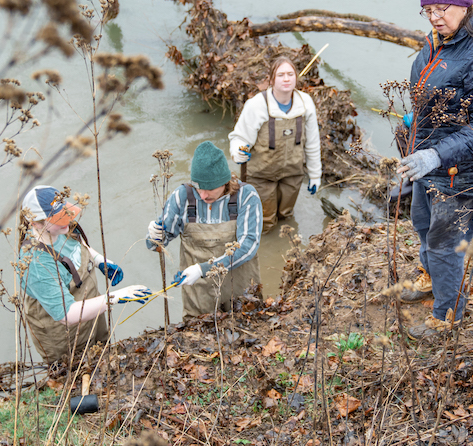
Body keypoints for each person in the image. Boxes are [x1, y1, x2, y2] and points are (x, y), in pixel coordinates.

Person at [397, 0, 473, 335]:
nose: (434, 17)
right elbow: (434, 82)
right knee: (422, 223)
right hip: (429, 157)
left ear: (464, 4)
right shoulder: (441, 34)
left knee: (447, 244)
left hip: (459, 169)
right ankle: (430, 276)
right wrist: (416, 121)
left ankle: (448, 315)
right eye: (428, 10)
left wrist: (435, 155)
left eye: (442, 9)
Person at [18, 185, 152, 364]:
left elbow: (78, 244)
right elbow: (66, 314)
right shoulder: (35, 262)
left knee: (103, 356)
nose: (66, 220)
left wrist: (98, 260)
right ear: (35, 223)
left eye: (65, 213)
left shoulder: (61, 228)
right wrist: (115, 297)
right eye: (58, 218)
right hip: (65, 334)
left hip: (92, 310)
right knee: (76, 369)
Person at [146, 141, 263, 316]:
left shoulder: (246, 196)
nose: (202, 195)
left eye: (209, 188)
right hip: (199, 296)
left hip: (241, 292)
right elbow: (157, 245)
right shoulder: (182, 197)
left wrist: (203, 269)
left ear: (225, 182)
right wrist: (154, 236)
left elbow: (248, 246)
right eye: (198, 187)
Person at [228, 56, 322, 234]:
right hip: (261, 175)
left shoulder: (305, 103)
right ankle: (265, 252)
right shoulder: (256, 105)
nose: (286, 79)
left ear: (296, 77)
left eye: (290, 74)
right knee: (265, 222)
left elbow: (313, 143)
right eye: (281, 75)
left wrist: (316, 175)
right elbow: (239, 138)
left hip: (293, 173)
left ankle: (284, 250)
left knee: (286, 216)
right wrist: (238, 152)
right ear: (271, 80)